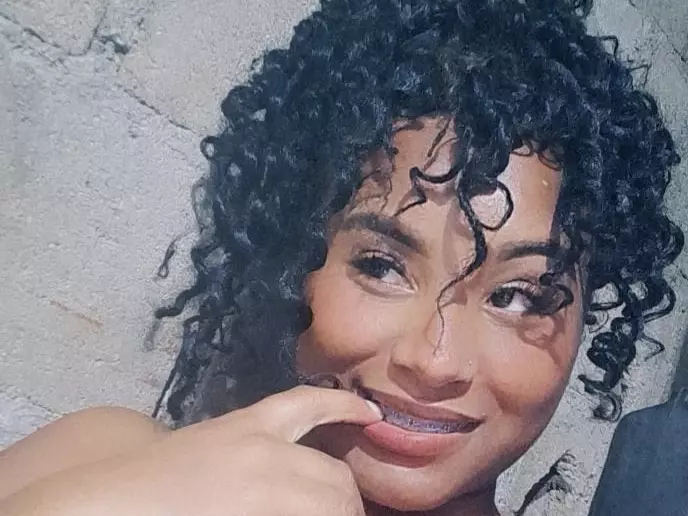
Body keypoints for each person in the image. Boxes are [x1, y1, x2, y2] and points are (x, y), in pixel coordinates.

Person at [0, 0, 683, 515]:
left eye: (519, 294)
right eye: (382, 266)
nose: (435, 361)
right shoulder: (104, 461)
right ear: (298, 258)